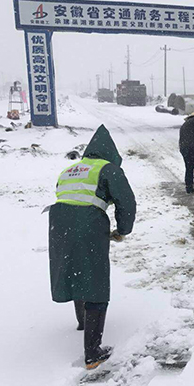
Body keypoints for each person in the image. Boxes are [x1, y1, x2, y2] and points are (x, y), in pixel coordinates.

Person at [48, 125, 136, 370]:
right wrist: (122, 230)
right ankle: (93, 353)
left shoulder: (70, 169)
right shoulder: (107, 168)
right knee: (96, 279)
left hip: (58, 223)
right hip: (86, 222)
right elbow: (126, 201)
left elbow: (66, 194)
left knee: (75, 270)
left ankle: (82, 322)